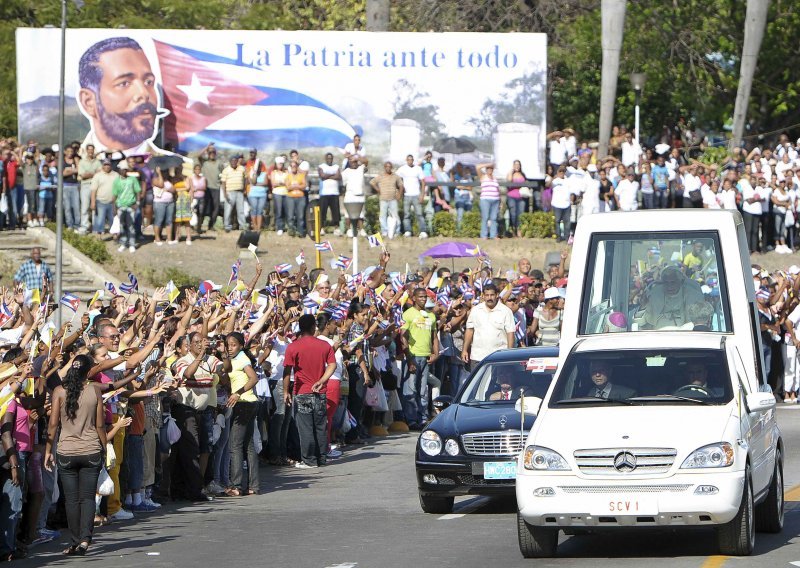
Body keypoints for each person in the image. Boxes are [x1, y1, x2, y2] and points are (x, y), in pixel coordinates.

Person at [76, 37, 180, 158]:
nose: (144, 93)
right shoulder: (71, 164)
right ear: (89, 101)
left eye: (148, 82)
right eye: (124, 83)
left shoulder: (179, 168)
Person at [44, 354, 106, 556]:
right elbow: (99, 425)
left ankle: (74, 540)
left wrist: (47, 451)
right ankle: (85, 540)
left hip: (66, 451)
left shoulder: (59, 391)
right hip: (91, 449)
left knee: (71, 500)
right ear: (88, 372)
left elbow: (53, 424)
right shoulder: (94, 390)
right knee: (87, 498)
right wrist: (105, 448)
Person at [282, 314, 337, 469]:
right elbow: (332, 365)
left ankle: (309, 460)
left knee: (305, 427)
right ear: (314, 327)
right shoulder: (324, 345)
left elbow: (287, 371)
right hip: (319, 392)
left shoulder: (293, 346)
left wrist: (286, 391)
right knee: (320, 426)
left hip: (302, 391)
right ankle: (321, 458)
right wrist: (322, 380)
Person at [220, 332, 259, 496]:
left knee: (235, 445)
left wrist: (237, 393)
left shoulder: (242, 358)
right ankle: (253, 486)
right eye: (228, 344)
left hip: (244, 403)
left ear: (241, 346)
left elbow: (254, 378)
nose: (230, 348)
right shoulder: (233, 359)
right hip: (249, 404)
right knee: (249, 445)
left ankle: (236, 486)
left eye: (234, 344)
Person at [402, 288, 439, 430]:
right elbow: (403, 336)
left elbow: (434, 335)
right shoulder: (408, 314)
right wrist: (409, 358)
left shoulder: (431, 315)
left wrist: (436, 353)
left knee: (423, 390)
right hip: (413, 356)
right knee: (411, 390)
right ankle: (411, 420)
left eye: (425, 297)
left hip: (426, 356)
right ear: (414, 298)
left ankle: (422, 418)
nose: (423, 299)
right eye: (421, 297)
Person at [462, 283, 515, 367]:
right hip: (478, 356)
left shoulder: (506, 311)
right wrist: (464, 350)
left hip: (499, 357)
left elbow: (510, 334)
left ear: (497, 295)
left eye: (492, 295)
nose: (489, 298)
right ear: (483, 296)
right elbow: (469, 330)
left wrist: (509, 354)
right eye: (487, 295)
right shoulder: (476, 310)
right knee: (478, 380)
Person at [639, 266, 704, 329]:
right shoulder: (654, 294)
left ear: (680, 282)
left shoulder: (692, 295)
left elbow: (697, 322)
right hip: (658, 333)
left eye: (673, 282)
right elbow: (642, 322)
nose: (669, 286)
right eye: (666, 283)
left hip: (685, 334)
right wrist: (643, 305)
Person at [112, 160, 142, 253]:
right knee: (122, 226)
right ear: (119, 170)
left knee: (131, 226)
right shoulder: (116, 181)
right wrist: (114, 208)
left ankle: (132, 244)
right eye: (122, 169)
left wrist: (137, 203)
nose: (124, 171)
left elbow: (137, 191)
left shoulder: (132, 179)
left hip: (130, 206)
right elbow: (114, 195)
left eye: (125, 169)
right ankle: (123, 243)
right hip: (120, 206)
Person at [396, 155, 427, 238]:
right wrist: (400, 189)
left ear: (413, 160)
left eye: (411, 160)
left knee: (419, 214)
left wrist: (422, 194)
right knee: (406, 215)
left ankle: (423, 231)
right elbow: (396, 178)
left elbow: (423, 182)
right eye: (408, 160)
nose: (410, 161)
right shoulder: (402, 169)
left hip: (416, 194)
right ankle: (408, 231)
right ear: (406, 160)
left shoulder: (418, 169)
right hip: (406, 195)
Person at [370, 161, 402, 239]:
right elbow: (372, 182)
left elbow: (401, 185)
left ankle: (396, 232)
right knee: (382, 216)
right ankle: (385, 232)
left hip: (393, 199)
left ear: (391, 168)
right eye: (386, 166)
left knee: (395, 216)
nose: (388, 168)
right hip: (383, 199)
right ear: (384, 167)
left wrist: (399, 195)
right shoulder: (381, 176)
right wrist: (378, 190)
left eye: (389, 167)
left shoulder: (395, 176)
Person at [341, 156, 368, 237]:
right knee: (348, 214)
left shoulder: (361, 169)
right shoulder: (346, 172)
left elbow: (366, 162)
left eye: (355, 162)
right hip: (350, 195)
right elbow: (342, 184)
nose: (354, 163)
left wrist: (357, 158)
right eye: (352, 162)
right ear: (349, 163)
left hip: (360, 195)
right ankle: (349, 230)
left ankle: (361, 229)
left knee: (361, 214)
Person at [220, 154, 247, 233]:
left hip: (240, 192)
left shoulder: (242, 168)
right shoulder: (226, 170)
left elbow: (246, 179)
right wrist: (225, 193)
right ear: (230, 162)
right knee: (228, 210)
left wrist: (245, 189)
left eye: (235, 161)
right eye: (232, 161)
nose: (234, 162)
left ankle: (243, 226)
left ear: (237, 161)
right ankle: (227, 226)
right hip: (230, 192)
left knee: (240, 210)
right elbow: (223, 183)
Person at [318, 153, 342, 235]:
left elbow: (338, 177)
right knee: (322, 212)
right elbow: (322, 176)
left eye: (331, 158)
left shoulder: (336, 167)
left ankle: (336, 228)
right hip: (324, 193)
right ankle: (322, 228)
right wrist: (332, 175)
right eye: (328, 158)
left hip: (334, 193)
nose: (329, 160)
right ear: (325, 159)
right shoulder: (321, 166)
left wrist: (327, 176)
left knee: (335, 212)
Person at [476, 162, 501, 240]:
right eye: (488, 169)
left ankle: (493, 235)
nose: (490, 170)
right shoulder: (483, 177)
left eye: (491, 169)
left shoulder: (495, 178)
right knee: (485, 217)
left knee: (494, 218)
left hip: (495, 200)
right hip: (485, 199)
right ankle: (484, 235)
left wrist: (500, 200)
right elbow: (477, 167)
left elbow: (498, 189)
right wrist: (488, 164)